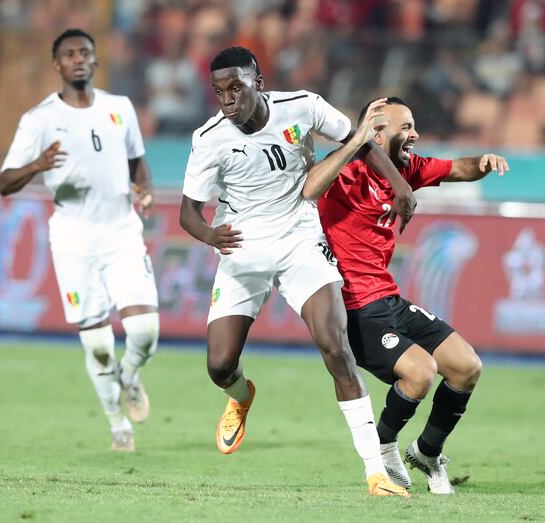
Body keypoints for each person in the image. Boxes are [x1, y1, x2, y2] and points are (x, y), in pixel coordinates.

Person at [179, 46, 417, 497]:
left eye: (236, 88)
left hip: (299, 241)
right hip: (242, 249)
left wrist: (399, 183)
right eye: (219, 92)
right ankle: (241, 397)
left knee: (336, 349)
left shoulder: (303, 107)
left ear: (258, 83)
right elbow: (187, 213)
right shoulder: (209, 138)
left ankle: (375, 473)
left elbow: (361, 141)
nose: (228, 100)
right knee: (219, 365)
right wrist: (210, 236)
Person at [312, 96, 509, 494]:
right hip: (355, 309)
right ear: (376, 132)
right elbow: (310, 185)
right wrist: (353, 142)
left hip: (390, 300)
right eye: (406, 127)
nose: (415, 134)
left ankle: (427, 451)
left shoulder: (407, 169)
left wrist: (483, 161)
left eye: (414, 126)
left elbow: (457, 168)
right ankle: (382, 447)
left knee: (467, 366)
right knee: (420, 373)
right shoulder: (345, 170)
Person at [0, 29, 159, 452]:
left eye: (85, 52)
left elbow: (138, 163)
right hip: (73, 239)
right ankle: (117, 424)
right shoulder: (39, 119)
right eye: (69, 54)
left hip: (121, 231)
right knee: (100, 344)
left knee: (144, 331)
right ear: (57, 65)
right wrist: (38, 163)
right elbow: (5, 182)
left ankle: (130, 375)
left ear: (95, 60)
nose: (78, 59)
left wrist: (143, 189)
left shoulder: (119, 108)